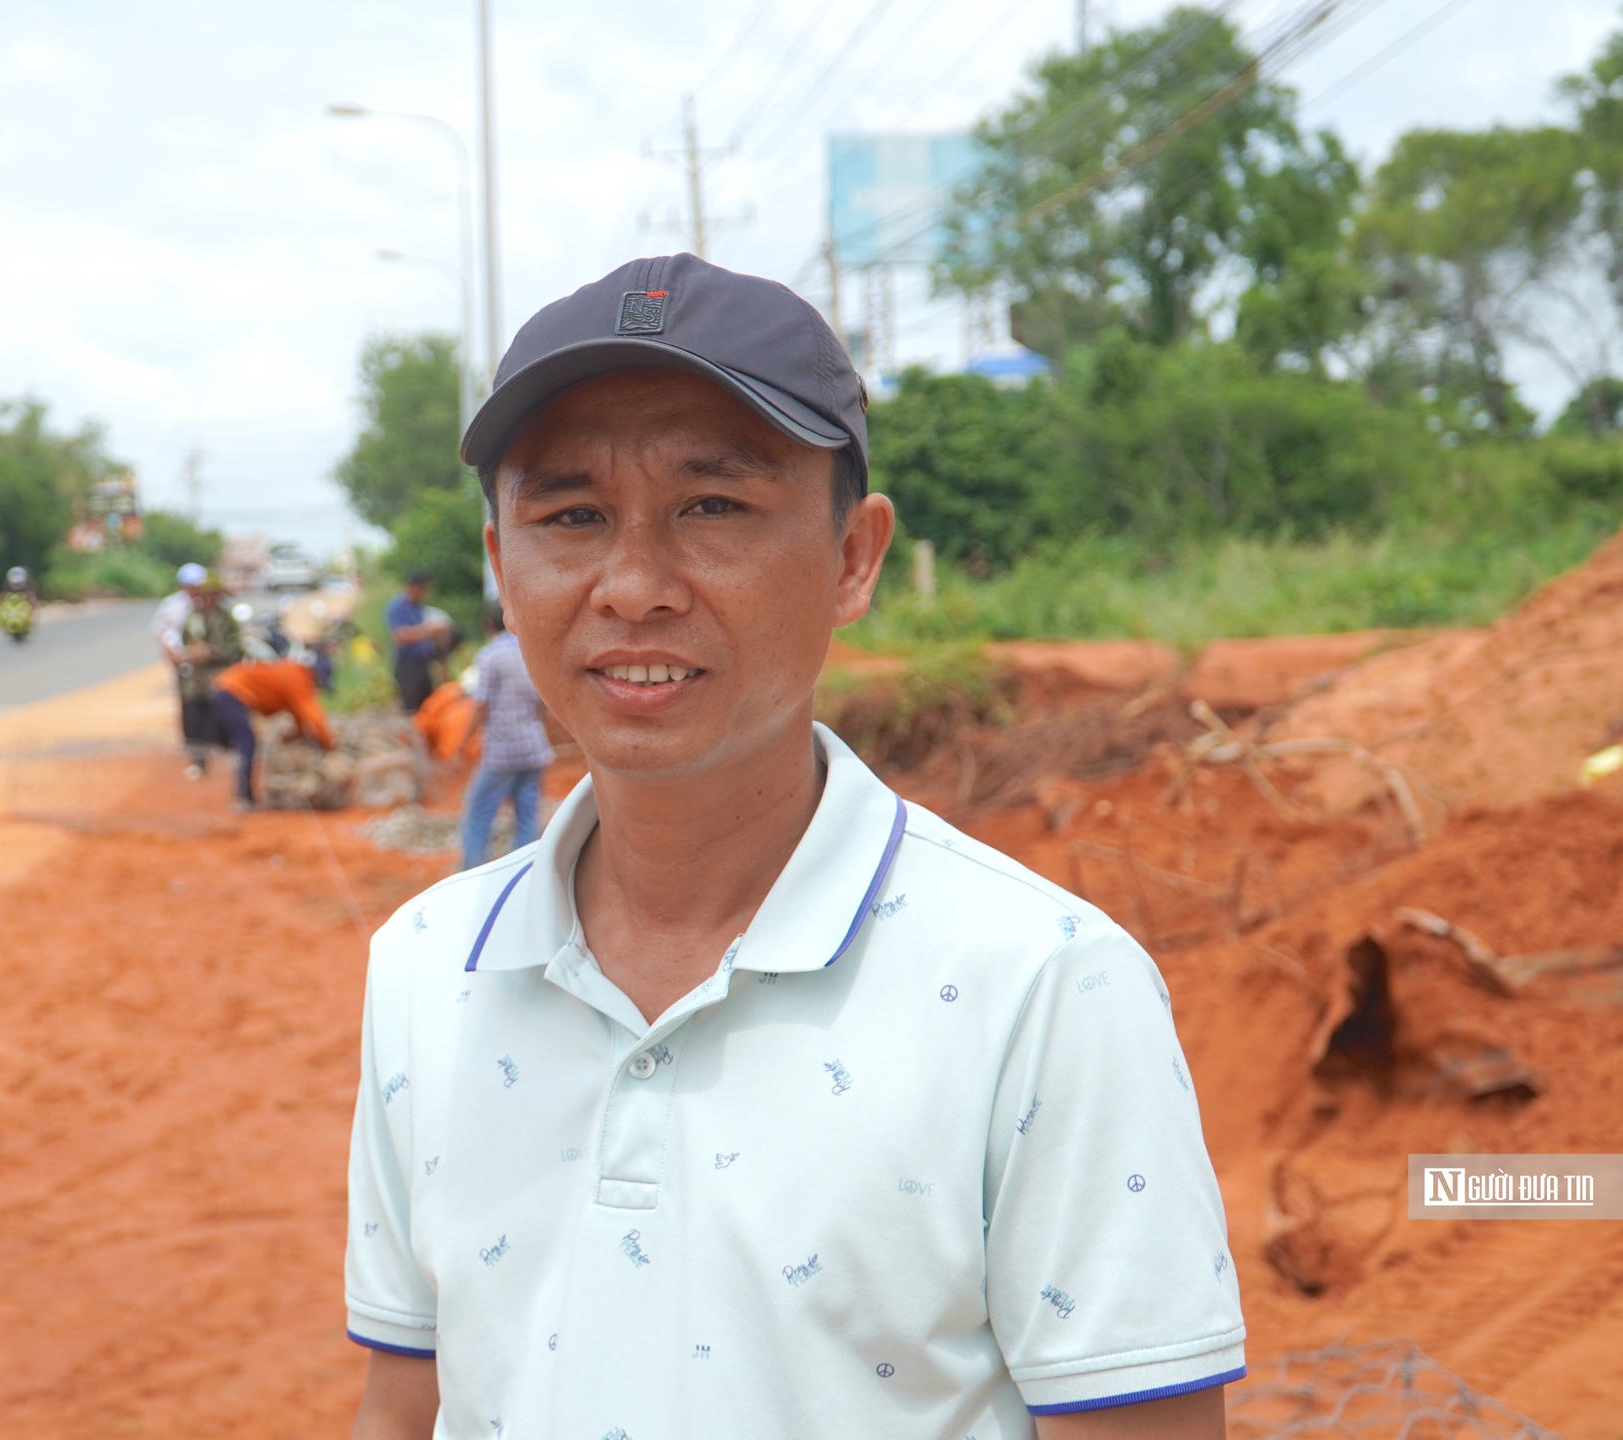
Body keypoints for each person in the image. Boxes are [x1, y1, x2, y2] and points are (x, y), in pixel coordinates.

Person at [344, 255, 1243, 1440]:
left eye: (713, 506)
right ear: (502, 569)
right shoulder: (427, 967)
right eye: (570, 516)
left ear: (854, 557)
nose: (633, 585)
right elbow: (408, 1405)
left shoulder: (1043, 985)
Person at [455, 601, 551, 870]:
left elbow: (481, 705)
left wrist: (463, 742)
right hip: (534, 747)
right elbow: (543, 702)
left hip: (502, 752)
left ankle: (469, 873)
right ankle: (523, 876)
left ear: (487, 625)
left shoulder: (490, 656)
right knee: (527, 816)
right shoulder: (528, 652)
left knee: (479, 812)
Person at [210, 657, 336, 810]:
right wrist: (330, 747)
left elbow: (300, 717)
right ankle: (243, 797)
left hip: (226, 689)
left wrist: (297, 734)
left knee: (245, 742)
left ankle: (246, 796)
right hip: (231, 692)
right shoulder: (299, 678)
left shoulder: (294, 674)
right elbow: (314, 717)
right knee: (247, 743)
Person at [176, 577, 242, 778]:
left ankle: (231, 752)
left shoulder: (227, 619)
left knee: (223, 716)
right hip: (195, 679)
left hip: (220, 677)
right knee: (193, 718)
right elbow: (185, 643)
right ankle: (198, 760)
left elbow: (237, 648)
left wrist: (214, 653)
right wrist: (193, 653)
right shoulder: (192, 618)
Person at [154, 562, 209, 769]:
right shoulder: (171, 605)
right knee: (188, 704)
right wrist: (173, 655)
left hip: (206, 663)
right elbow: (160, 631)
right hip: (182, 662)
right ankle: (193, 746)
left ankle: (211, 742)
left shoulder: (207, 605)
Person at [383, 571, 452, 712]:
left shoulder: (419, 607)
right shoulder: (397, 607)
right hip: (407, 663)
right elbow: (400, 637)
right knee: (412, 707)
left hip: (423, 661)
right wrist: (429, 630)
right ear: (413, 587)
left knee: (426, 705)